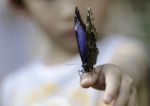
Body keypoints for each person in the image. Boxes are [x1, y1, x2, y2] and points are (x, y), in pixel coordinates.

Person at [1, 0, 149, 106]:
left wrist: (117, 72)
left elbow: (131, 62)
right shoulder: (12, 88)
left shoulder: (124, 49)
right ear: (21, 6)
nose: (69, 11)